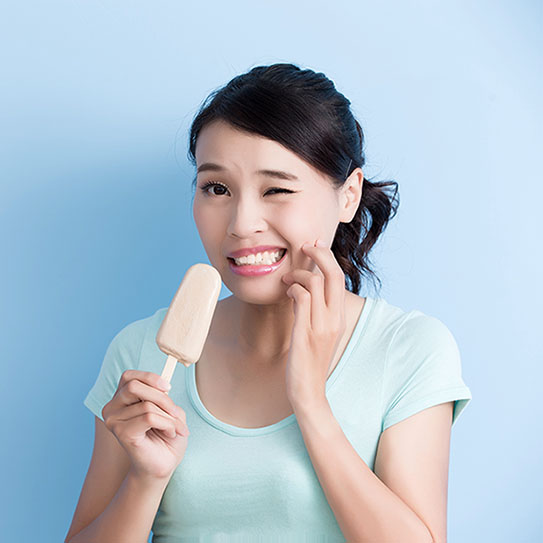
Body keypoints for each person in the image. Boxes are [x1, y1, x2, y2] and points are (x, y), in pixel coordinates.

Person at [65, 63, 472, 542]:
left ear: (348, 196)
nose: (241, 224)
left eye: (276, 189)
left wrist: (310, 401)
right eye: (217, 189)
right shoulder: (140, 354)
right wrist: (145, 479)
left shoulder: (408, 350)